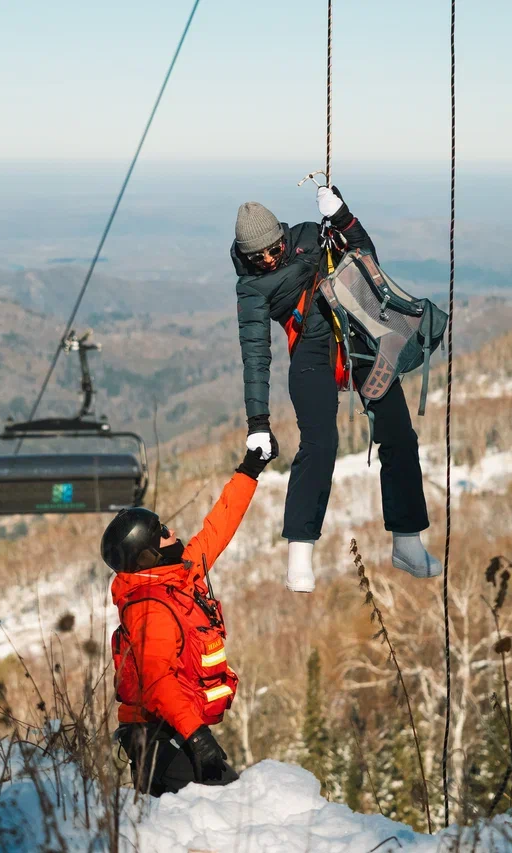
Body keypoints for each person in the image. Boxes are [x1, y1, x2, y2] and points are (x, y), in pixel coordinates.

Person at [231, 185, 442, 594]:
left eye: (273, 249)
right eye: (258, 257)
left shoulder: (311, 236)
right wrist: (257, 421)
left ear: (282, 235)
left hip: (359, 339)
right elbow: (255, 355)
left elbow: (366, 262)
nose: (268, 259)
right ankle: (300, 550)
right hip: (310, 350)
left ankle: (407, 540)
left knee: (398, 434)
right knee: (320, 443)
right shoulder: (252, 288)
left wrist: (343, 217)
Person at [102, 438, 276, 796]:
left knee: (226, 809)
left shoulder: (177, 575)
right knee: (221, 812)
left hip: (178, 731)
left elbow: (218, 527)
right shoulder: (149, 608)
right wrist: (198, 737)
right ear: (148, 555)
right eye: (163, 533)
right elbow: (156, 682)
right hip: (158, 741)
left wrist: (250, 469)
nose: (173, 532)